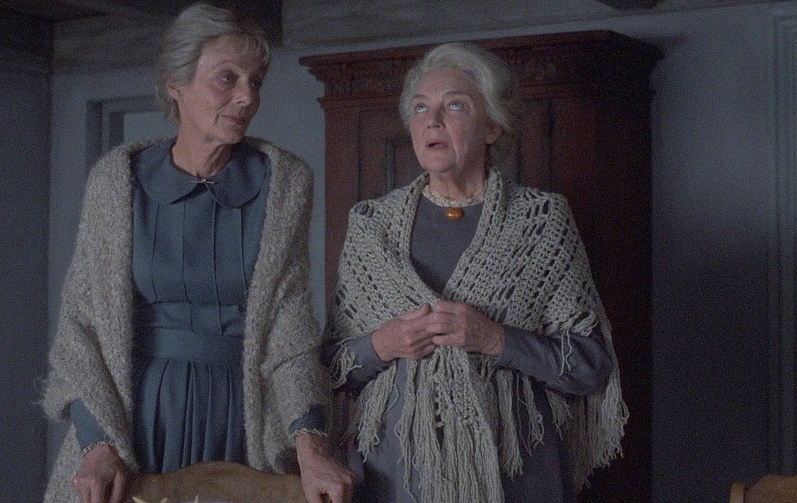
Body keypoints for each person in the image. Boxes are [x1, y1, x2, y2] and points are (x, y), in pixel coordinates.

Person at [41, 3, 355, 502]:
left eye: (256, 82)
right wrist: (98, 444)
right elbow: (82, 327)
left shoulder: (285, 182)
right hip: (136, 418)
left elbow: (289, 329)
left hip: (242, 418)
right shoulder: (116, 180)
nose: (247, 97)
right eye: (227, 78)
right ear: (176, 84)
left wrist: (311, 448)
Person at [324, 41, 627, 502]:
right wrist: (383, 344)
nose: (432, 120)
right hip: (397, 478)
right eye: (420, 107)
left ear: (492, 127)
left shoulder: (541, 221)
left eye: (455, 106)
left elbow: (589, 366)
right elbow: (331, 367)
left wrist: (496, 339)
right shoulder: (371, 226)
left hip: (516, 475)